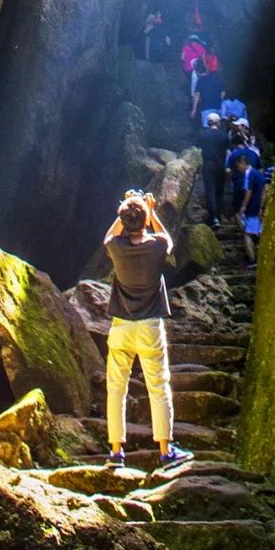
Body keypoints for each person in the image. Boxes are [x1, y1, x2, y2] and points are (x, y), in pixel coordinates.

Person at [103, 190, 193, 469]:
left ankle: (117, 452)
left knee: (116, 388)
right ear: (144, 220)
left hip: (121, 326)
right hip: (150, 326)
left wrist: (129, 208)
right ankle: (166, 451)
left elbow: (109, 236)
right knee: (158, 387)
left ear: (122, 219)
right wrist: (150, 211)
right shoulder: (157, 246)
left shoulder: (115, 247)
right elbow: (167, 238)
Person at [232, 153, 268, 265]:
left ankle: (252, 260)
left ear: (243, 163)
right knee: (259, 232)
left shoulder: (249, 174)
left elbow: (248, 191)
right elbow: (265, 190)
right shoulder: (258, 173)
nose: (238, 169)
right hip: (260, 207)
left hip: (252, 208)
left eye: (238, 166)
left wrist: (243, 207)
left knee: (247, 234)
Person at [197, 112, 227, 229]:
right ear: (218, 122)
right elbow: (226, 151)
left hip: (208, 165)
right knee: (219, 192)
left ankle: (213, 218)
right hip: (221, 166)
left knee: (210, 191)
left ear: (208, 122)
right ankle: (218, 217)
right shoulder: (224, 136)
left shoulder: (202, 135)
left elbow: (199, 149)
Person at [226, 119, 261, 214]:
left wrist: (231, 179)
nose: (237, 127)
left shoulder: (234, 153)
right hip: (252, 182)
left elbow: (228, 170)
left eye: (239, 125)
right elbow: (260, 168)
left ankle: (238, 218)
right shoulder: (253, 153)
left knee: (238, 204)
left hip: (238, 182)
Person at [190, 60, 222, 126]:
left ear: (197, 72)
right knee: (217, 127)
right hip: (218, 107)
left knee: (207, 128)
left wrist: (194, 110)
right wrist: (219, 100)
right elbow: (223, 91)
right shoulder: (216, 77)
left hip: (206, 108)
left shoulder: (200, 81)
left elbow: (197, 95)